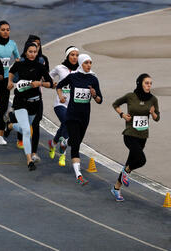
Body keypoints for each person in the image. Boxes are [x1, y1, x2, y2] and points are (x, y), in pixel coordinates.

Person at [111, 73, 160, 201]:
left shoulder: (153, 99)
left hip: (142, 136)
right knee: (141, 160)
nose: (149, 86)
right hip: (130, 134)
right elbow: (115, 104)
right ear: (139, 83)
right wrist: (122, 114)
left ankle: (116, 188)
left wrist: (153, 113)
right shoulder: (130, 96)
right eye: (146, 83)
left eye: (150, 83)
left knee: (131, 162)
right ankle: (126, 172)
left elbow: (157, 118)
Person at [5, 42, 53, 170]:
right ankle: (29, 160)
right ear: (26, 52)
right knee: (26, 131)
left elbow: (50, 83)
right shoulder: (19, 64)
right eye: (30, 51)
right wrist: (10, 82)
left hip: (34, 103)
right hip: (20, 101)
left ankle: (10, 125)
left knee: (26, 129)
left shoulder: (40, 66)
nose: (32, 54)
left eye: (35, 52)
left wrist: (40, 84)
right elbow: (11, 71)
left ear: (37, 53)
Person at [56, 54, 103, 185]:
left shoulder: (93, 79)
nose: (89, 65)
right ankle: (79, 175)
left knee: (76, 141)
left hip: (84, 117)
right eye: (86, 63)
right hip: (72, 115)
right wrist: (61, 96)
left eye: (90, 63)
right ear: (81, 64)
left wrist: (94, 95)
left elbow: (100, 100)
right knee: (76, 146)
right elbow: (59, 86)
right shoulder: (73, 77)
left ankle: (64, 142)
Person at [16, 35, 50, 161]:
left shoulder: (43, 60)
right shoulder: (21, 61)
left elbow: (46, 77)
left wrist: (43, 82)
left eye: (38, 45)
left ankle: (34, 153)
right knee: (24, 125)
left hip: (37, 97)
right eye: (33, 45)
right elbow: (14, 78)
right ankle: (15, 130)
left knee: (36, 123)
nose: (36, 48)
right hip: (22, 98)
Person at [48, 46, 80, 166]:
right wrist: (52, 84)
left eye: (77, 55)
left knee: (64, 125)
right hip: (60, 104)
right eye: (72, 55)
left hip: (74, 106)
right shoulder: (60, 68)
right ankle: (62, 155)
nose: (75, 57)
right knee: (67, 124)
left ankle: (53, 143)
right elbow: (48, 77)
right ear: (67, 56)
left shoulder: (80, 70)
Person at [0, 21, 20, 145]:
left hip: (5, 80)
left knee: (3, 108)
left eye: (8, 29)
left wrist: (11, 79)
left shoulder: (12, 44)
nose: (5, 32)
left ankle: (0, 136)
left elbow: (18, 61)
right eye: (3, 29)